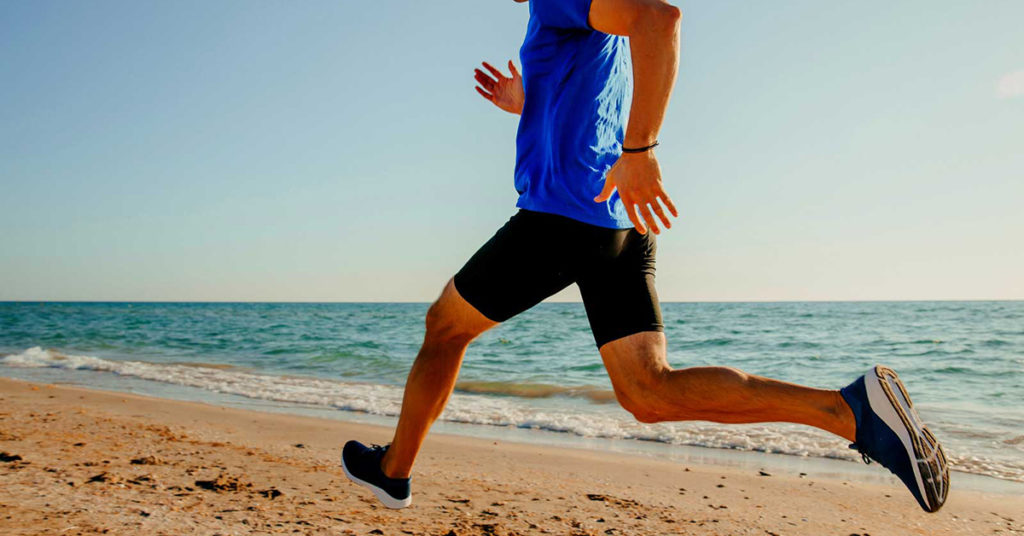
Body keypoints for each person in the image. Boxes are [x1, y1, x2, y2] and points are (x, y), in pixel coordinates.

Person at [342, 0, 949, 513]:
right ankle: (851, 412)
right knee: (649, 393)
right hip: (613, 222)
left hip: (562, 215)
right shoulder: (555, 16)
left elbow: (659, 18)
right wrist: (524, 99)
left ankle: (395, 470)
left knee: (443, 327)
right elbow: (586, 92)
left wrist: (642, 149)